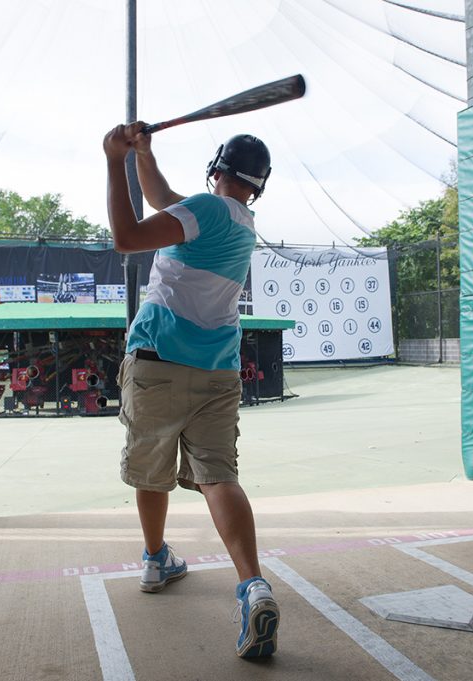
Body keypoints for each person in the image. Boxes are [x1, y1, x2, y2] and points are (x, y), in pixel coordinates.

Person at [102, 121, 280, 659]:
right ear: (258, 183)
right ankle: (253, 585)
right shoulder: (237, 219)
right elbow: (161, 198)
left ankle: (155, 557)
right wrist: (143, 154)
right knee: (217, 475)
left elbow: (127, 239)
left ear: (217, 169)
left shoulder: (205, 210)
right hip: (218, 369)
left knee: (151, 468)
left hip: (159, 362)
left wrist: (113, 160)